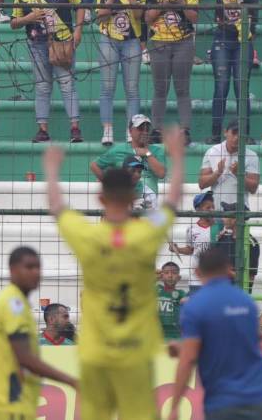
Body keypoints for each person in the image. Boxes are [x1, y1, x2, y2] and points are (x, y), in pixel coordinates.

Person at [43, 123, 186, 420]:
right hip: (135, 351)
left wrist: (52, 170)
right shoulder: (146, 234)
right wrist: (178, 157)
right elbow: (172, 202)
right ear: (134, 199)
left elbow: (57, 207)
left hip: (96, 352)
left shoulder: (88, 236)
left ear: (100, 199)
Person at [166, 247, 262, 420]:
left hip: (223, 403)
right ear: (229, 270)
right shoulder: (246, 302)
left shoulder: (194, 307)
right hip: (260, 398)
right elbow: (259, 343)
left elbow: (188, 359)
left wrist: (174, 407)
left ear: (197, 272)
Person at [0, 246, 77, 420]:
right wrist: (71, 381)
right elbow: (25, 357)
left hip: (12, 403)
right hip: (6, 405)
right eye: (29, 267)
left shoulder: (17, 301)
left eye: (38, 267)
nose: (36, 272)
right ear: (12, 270)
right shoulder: (13, 303)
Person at [10, 0, 85, 143]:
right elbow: (14, 22)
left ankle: (75, 128)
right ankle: (43, 130)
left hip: (63, 43)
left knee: (68, 85)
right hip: (37, 45)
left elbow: (80, 5)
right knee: (43, 87)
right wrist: (29, 18)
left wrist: (78, 31)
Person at [208, 0, 260, 141]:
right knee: (221, 86)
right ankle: (215, 134)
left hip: (243, 41)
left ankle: (244, 134)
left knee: (241, 87)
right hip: (222, 38)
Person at [146, 0, 199, 145]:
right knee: (160, 89)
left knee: (182, 89)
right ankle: (156, 129)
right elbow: (147, 18)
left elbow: (195, 17)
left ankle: (185, 129)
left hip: (183, 44)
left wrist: (182, 4)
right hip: (159, 43)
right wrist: (164, 4)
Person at [95, 0, 145, 146]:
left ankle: (130, 130)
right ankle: (107, 129)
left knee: (132, 89)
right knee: (107, 87)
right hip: (109, 39)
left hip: (132, 41)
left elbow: (139, 15)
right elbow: (100, 17)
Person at [89, 114, 167, 211]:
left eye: (147, 129)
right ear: (130, 131)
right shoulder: (118, 150)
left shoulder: (157, 151)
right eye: (140, 128)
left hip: (149, 204)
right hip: (123, 201)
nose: (144, 132)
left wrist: (147, 153)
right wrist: (109, 184)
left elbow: (161, 173)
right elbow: (94, 165)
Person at [199, 123, 260, 209]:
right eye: (234, 133)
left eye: (240, 134)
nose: (236, 138)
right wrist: (217, 173)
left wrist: (238, 174)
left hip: (239, 213)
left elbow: (253, 188)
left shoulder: (252, 156)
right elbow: (202, 184)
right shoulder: (212, 152)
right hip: (216, 211)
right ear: (225, 132)